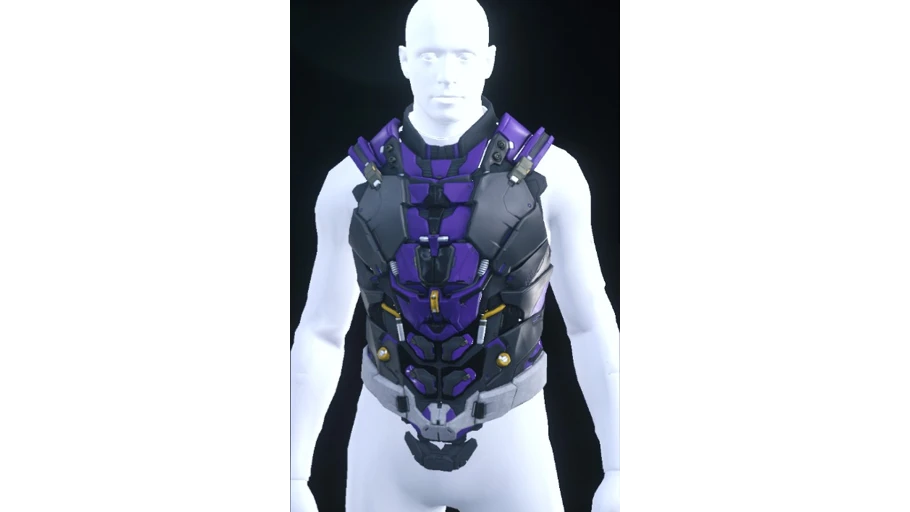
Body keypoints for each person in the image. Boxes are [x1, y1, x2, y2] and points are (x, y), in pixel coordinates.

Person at [291, 0, 619, 510]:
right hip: (385, 443)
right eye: (430, 56)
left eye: (462, 56)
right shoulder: (347, 184)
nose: (446, 74)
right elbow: (321, 331)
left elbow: (592, 325)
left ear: (489, 60)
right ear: (404, 60)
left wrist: (618, 464)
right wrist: (293, 471)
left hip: (512, 444)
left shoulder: (555, 177)